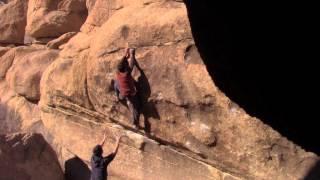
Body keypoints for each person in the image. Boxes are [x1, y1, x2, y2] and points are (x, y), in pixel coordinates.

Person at [114, 48, 140, 127]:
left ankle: (118, 96)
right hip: (129, 93)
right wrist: (132, 54)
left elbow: (120, 64)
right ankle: (135, 124)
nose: (127, 65)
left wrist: (125, 55)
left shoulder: (118, 71)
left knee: (116, 83)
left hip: (122, 92)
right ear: (125, 68)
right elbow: (132, 63)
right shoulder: (127, 74)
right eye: (126, 65)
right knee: (136, 107)